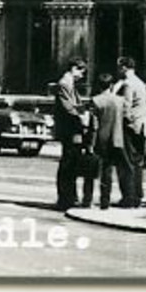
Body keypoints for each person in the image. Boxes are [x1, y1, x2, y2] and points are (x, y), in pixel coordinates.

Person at [87, 73, 133, 209]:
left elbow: (93, 125)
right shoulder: (120, 101)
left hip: (101, 139)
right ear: (111, 85)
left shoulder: (95, 100)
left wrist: (90, 142)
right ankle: (108, 200)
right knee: (112, 170)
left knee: (97, 171)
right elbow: (127, 116)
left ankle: (97, 199)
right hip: (117, 139)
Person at [52, 58, 88, 210]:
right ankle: (65, 198)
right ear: (73, 68)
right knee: (68, 163)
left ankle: (70, 196)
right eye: (80, 71)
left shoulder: (70, 84)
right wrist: (82, 117)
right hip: (69, 129)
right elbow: (69, 107)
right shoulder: (64, 84)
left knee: (72, 163)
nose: (81, 75)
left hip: (73, 128)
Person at [114, 56, 146, 208]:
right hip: (139, 126)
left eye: (119, 67)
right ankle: (137, 195)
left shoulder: (128, 84)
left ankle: (128, 197)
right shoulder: (140, 83)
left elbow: (126, 108)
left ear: (124, 68)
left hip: (129, 127)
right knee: (137, 163)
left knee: (126, 163)